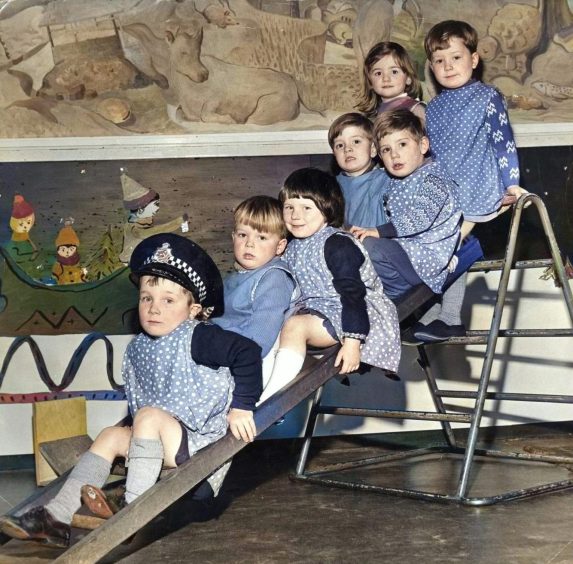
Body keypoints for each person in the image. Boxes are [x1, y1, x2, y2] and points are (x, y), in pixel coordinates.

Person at [0, 233, 262, 548]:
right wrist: (132, 425)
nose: (154, 308)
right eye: (146, 298)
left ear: (193, 310)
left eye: (168, 300)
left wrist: (242, 406)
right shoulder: (139, 347)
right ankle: (56, 516)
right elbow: (146, 402)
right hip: (163, 442)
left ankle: (133, 512)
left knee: (149, 417)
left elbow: (246, 352)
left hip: (200, 448)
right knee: (111, 434)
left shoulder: (199, 337)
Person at [414, 19, 527, 342]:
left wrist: (512, 183)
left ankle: (448, 317)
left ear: (474, 60)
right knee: (429, 246)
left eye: (456, 57)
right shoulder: (433, 108)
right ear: (431, 67)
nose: (448, 67)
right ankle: (431, 313)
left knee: (448, 248)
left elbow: (503, 142)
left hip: (480, 187)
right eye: (439, 61)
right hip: (447, 194)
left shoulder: (487, 96)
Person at [266, 167, 401, 392]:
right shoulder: (292, 247)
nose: (295, 215)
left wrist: (352, 342)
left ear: (327, 210)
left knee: (295, 326)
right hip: (317, 311)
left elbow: (352, 294)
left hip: (353, 314)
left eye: (306, 208)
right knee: (269, 323)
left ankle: (270, 397)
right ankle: (256, 392)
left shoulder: (337, 244)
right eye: (289, 207)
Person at [352, 109, 462, 302]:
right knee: (356, 246)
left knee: (372, 247)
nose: (395, 155)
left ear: (423, 145)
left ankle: (393, 295)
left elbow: (418, 219)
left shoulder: (434, 179)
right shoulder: (397, 180)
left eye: (402, 144)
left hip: (427, 258)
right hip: (406, 252)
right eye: (386, 150)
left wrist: (378, 231)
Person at [212, 195, 297, 403]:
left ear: (280, 246)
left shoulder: (273, 277)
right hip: (223, 353)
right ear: (233, 237)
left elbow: (259, 339)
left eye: (261, 237)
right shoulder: (237, 276)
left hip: (241, 366)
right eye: (243, 235)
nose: (249, 244)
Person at [328, 112, 390, 232]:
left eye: (356, 141)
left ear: (372, 149)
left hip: (377, 243)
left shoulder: (387, 181)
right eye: (340, 145)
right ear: (334, 154)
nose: (347, 148)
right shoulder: (330, 186)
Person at [355, 41, 425, 121]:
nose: (386, 79)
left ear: (408, 78)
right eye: (378, 73)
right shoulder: (374, 114)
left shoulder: (415, 109)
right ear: (370, 82)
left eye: (394, 72)